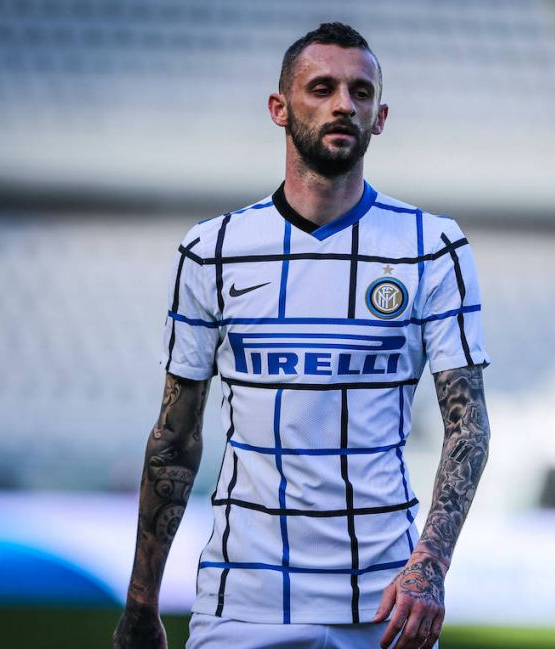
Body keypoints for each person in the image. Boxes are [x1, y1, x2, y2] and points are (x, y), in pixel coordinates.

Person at [113, 22, 491, 649]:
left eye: (361, 92)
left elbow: (468, 427)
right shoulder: (215, 250)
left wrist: (430, 567)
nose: (345, 103)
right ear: (279, 108)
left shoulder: (433, 246)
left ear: (381, 116)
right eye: (322, 87)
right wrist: (140, 599)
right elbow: (175, 438)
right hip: (242, 602)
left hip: (386, 604)